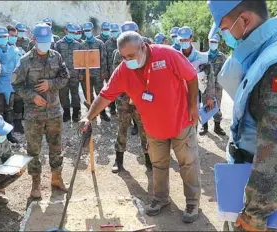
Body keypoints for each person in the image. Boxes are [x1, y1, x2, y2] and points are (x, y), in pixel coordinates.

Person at [207, 0, 277, 230]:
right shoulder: (265, 50)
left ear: (245, 20)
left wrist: (254, 216)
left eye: (224, 28)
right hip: (246, 176)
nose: (224, 36)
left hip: (260, 203)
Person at [80, 31, 201, 223]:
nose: (128, 60)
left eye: (131, 56)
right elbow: (105, 95)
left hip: (180, 122)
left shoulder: (167, 54)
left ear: (143, 47)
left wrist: (193, 106)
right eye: (124, 57)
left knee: (188, 164)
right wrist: (88, 117)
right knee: (158, 165)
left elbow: (192, 77)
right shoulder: (124, 70)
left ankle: (192, 203)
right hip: (154, 129)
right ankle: (161, 198)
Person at [12, 23, 69, 197]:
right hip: (33, 115)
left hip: (54, 112)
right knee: (34, 151)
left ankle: (56, 178)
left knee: (56, 148)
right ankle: (35, 184)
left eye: (47, 41)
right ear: (34, 39)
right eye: (41, 41)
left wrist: (50, 84)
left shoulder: (57, 57)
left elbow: (65, 76)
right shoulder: (24, 61)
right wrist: (32, 96)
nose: (45, 44)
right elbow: (16, 84)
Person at [111, 21, 152, 138]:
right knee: (122, 128)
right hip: (125, 95)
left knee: (145, 128)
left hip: (144, 94)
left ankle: (148, 154)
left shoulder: (147, 46)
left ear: (138, 32)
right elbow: (117, 77)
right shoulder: (118, 53)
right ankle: (119, 156)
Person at [0, 27, 20, 144]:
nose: (3, 39)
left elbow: (17, 65)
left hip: (10, 84)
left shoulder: (13, 50)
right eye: (0, 37)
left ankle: (9, 135)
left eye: (5, 36)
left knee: (9, 111)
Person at [79, 22, 110, 122]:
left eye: (89, 30)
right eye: (85, 31)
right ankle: (91, 113)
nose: (87, 32)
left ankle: (102, 113)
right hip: (85, 75)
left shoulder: (99, 43)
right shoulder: (81, 45)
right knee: (88, 94)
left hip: (97, 74)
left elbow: (103, 59)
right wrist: (80, 74)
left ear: (92, 30)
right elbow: (79, 61)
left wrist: (103, 72)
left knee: (100, 94)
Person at [200, 34, 227, 136]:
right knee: (205, 105)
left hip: (218, 86)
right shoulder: (203, 56)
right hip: (205, 86)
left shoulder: (222, 57)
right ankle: (204, 126)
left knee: (217, 106)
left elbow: (226, 72)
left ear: (218, 43)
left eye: (215, 42)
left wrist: (220, 84)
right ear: (209, 42)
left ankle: (217, 127)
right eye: (211, 42)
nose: (213, 44)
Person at [55, 23, 81, 122]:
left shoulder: (78, 44)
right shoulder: (58, 44)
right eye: (70, 32)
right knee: (63, 94)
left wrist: (81, 73)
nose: (72, 34)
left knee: (75, 93)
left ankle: (76, 113)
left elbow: (81, 61)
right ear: (66, 31)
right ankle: (66, 113)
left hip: (75, 73)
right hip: (63, 74)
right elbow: (56, 60)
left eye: (74, 32)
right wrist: (57, 74)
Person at [104, 23, 121, 116]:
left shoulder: (122, 42)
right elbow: (104, 58)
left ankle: (121, 108)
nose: (114, 33)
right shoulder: (107, 44)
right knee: (111, 90)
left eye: (115, 31)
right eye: (112, 31)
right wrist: (105, 71)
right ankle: (112, 108)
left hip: (122, 73)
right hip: (111, 72)